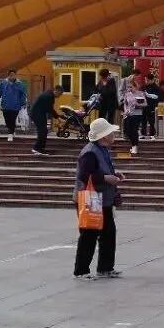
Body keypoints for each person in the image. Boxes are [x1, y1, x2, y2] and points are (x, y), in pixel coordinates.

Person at [73, 118, 124, 280]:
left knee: (108, 233)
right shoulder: (90, 152)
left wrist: (113, 175)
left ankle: (105, 268)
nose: (113, 134)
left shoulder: (102, 149)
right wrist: (106, 178)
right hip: (91, 199)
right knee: (89, 234)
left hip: (103, 198)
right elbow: (84, 175)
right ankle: (81, 271)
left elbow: (100, 170)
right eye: (111, 132)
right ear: (104, 136)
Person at [0, 69, 28, 142]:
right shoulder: (3, 83)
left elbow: (23, 94)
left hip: (15, 105)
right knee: (7, 120)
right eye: (10, 75)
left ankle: (10, 133)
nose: (12, 76)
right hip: (5, 105)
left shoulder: (20, 84)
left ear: (15, 75)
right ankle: (12, 130)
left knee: (12, 119)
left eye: (13, 75)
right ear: (8, 75)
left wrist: (23, 103)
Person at [29, 85, 64, 156]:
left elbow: (49, 109)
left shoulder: (49, 94)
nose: (59, 96)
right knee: (42, 131)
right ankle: (37, 148)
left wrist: (57, 117)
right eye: (60, 94)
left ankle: (40, 148)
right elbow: (50, 109)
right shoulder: (49, 96)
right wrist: (58, 117)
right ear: (56, 91)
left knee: (44, 131)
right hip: (37, 114)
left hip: (39, 114)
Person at [122, 78, 148, 155]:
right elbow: (125, 103)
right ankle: (133, 144)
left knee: (134, 130)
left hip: (137, 114)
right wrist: (125, 110)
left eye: (131, 87)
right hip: (129, 114)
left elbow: (145, 104)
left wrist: (138, 104)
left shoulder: (140, 94)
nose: (130, 89)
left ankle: (135, 146)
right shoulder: (127, 94)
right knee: (128, 130)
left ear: (135, 87)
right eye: (128, 87)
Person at [140, 73, 164, 139]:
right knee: (143, 120)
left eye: (147, 80)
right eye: (145, 80)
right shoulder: (143, 87)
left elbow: (158, 98)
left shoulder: (156, 88)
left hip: (152, 106)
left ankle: (152, 134)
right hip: (144, 106)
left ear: (152, 80)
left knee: (151, 121)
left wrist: (149, 96)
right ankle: (143, 134)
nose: (146, 81)